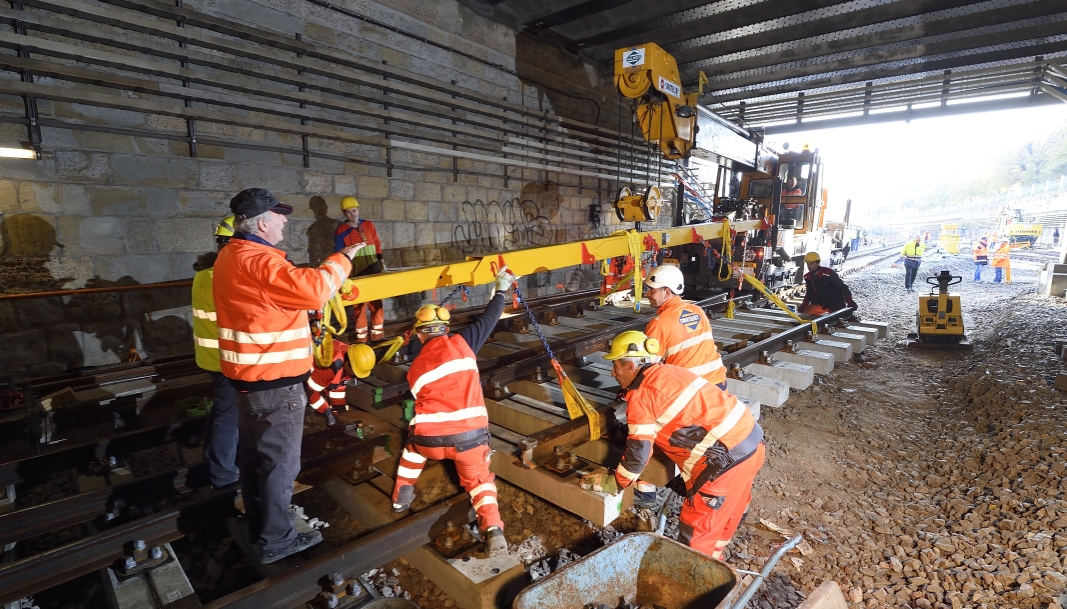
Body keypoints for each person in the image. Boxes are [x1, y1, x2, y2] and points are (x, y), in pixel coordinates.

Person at [214, 188, 364, 564]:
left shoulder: (230, 256)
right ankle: (277, 541)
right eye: (278, 216)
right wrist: (342, 259)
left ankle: (261, 526)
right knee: (280, 464)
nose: (284, 220)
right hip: (275, 380)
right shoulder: (261, 261)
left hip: (248, 378)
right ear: (262, 222)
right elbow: (313, 292)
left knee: (253, 459)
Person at [390, 268, 516, 557]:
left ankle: (401, 499)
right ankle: (493, 529)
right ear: (445, 330)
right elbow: (490, 317)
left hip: (429, 443)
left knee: (410, 451)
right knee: (479, 482)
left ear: (420, 336)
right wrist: (502, 287)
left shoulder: (416, 365)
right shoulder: (463, 342)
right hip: (470, 442)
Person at [606, 331, 764, 559]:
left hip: (724, 465)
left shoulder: (641, 394)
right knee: (724, 520)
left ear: (630, 366)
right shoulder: (670, 371)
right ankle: (719, 571)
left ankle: (696, 583)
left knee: (696, 539)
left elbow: (639, 453)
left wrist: (617, 483)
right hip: (752, 444)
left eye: (615, 366)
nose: (613, 373)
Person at [634, 265, 727, 509]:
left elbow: (649, 370)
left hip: (692, 395)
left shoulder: (658, 323)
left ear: (666, 291)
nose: (648, 294)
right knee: (713, 441)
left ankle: (646, 490)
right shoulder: (696, 311)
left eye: (651, 290)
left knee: (651, 429)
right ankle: (715, 485)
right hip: (717, 385)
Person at [192, 215, 240, 491]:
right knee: (230, 416)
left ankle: (211, 455)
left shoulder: (206, 272)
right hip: (225, 359)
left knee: (223, 408)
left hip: (213, 357)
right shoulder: (218, 277)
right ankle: (224, 475)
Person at [335, 197, 385, 343]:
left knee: (376, 303)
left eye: (355, 210)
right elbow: (340, 252)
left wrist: (381, 260)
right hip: (355, 271)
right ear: (344, 214)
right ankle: (361, 339)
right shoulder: (341, 231)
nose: (353, 214)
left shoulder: (369, 225)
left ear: (359, 210)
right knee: (359, 306)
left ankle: (377, 336)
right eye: (349, 212)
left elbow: (376, 243)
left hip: (372, 268)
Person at [306, 339, 376, 424]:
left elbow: (338, 386)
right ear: (347, 364)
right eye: (354, 373)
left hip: (320, 371)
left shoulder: (353, 357)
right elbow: (310, 391)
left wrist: (339, 409)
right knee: (302, 400)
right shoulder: (331, 368)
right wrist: (326, 411)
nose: (354, 376)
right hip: (303, 366)